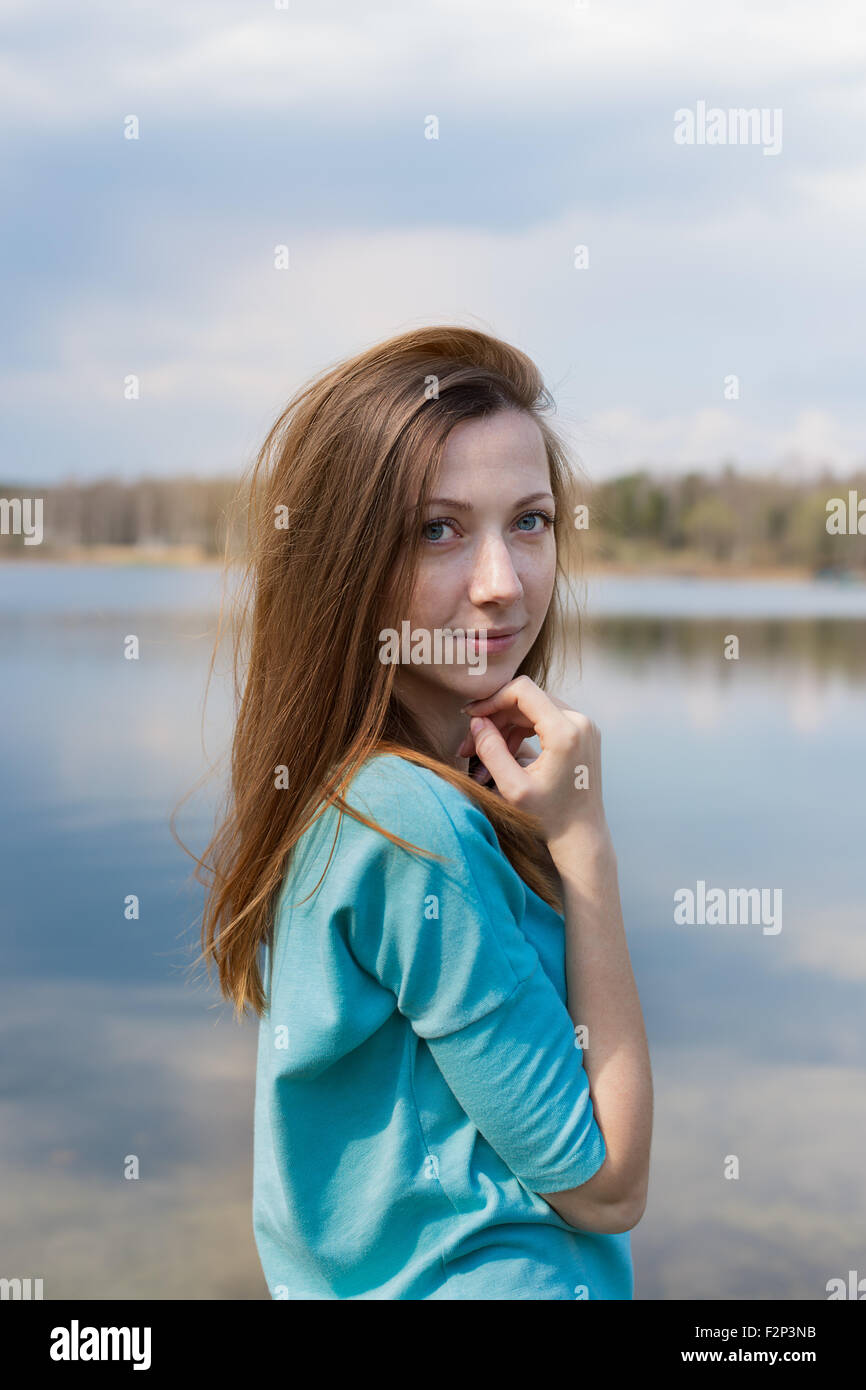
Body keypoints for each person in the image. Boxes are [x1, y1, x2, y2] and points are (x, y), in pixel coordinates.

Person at [197, 325, 653, 1299]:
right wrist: (585, 843)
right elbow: (608, 1187)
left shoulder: (351, 795)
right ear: (346, 565)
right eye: (436, 530)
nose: (501, 583)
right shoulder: (411, 828)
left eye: (527, 521)